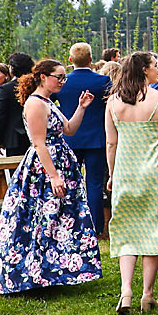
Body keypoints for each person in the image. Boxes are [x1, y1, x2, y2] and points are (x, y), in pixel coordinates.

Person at [0, 59, 102, 294]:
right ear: (43, 77)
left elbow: (69, 129)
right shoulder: (36, 104)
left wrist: (81, 107)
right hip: (43, 169)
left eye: (64, 77)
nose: (62, 81)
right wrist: (53, 176)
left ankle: (53, 271)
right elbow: (39, 143)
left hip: (59, 161)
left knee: (57, 219)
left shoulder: (48, 101)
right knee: (39, 218)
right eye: (58, 77)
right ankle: (33, 273)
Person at [105, 51, 158, 314]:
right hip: (154, 171)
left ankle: (126, 290)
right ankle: (147, 295)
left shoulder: (113, 102)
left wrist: (112, 173)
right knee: (152, 228)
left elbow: (111, 143)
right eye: (153, 66)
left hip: (126, 170)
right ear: (143, 70)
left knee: (126, 229)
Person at [58, 42, 112, 237]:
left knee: (69, 182)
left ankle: (70, 224)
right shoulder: (103, 81)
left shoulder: (62, 83)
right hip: (97, 138)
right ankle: (96, 226)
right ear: (91, 59)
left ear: (70, 60)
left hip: (70, 138)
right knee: (95, 184)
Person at [0, 51, 35, 157]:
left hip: (15, 139)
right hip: (37, 134)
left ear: (12, 68)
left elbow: (0, 116)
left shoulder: (6, 89)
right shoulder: (37, 85)